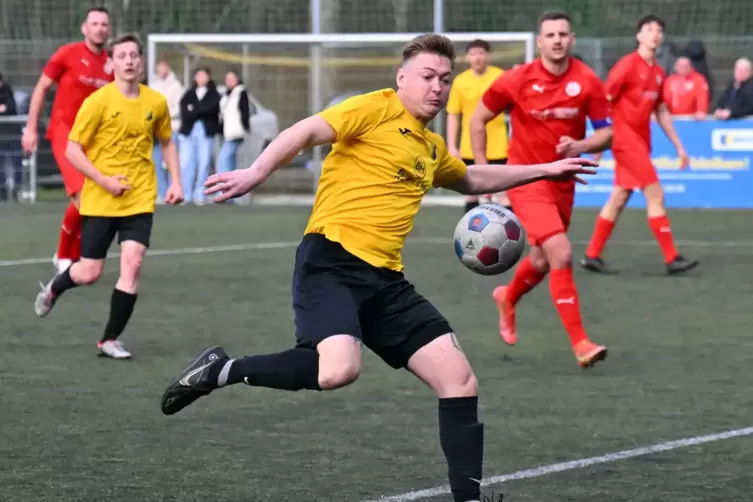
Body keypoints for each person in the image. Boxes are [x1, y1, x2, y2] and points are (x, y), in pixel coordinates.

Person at [159, 34, 597, 502]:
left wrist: (546, 169)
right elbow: (305, 131)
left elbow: (471, 176)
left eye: (445, 80)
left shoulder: (429, 148)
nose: (438, 88)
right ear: (402, 79)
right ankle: (220, 370)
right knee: (338, 370)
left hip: (385, 281)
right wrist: (255, 173)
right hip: (331, 260)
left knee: (459, 379)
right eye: (428, 77)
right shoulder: (375, 108)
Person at [470, 10, 611, 368]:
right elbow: (478, 120)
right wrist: (486, 173)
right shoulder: (517, 79)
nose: (557, 40)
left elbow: (606, 132)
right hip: (527, 181)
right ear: (539, 41)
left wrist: (580, 146)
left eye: (563, 34)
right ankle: (581, 344)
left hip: (564, 185)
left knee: (541, 261)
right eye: (550, 35)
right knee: (561, 252)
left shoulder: (588, 81)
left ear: (572, 40)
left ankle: (507, 297)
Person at [33, 34, 184, 359]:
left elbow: (167, 141)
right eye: (122, 56)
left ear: (140, 62)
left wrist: (176, 182)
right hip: (102, 198)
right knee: (89, 272)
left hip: (140, 197)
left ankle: (109, 340)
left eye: (134, 55)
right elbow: (73, 149)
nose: (129, 60)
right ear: (112, 62)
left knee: (133, 263)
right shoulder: (98, 102)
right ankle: (55, 287)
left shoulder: (155, 102)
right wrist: (104, 180)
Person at [580, 15, 698, 275]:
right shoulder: (626, 65)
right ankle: (672, 258)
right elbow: (602, 99)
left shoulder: (658, 73)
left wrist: (679, 146)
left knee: (619, 197)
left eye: (659, 30)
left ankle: (591, 255)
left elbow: (661, 110)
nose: (655, 34)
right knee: (656, 195)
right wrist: (599, 141)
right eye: (649, 29)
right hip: (625, 141)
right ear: (639, 36)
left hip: (641, 142)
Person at [21, 7, 114, 273]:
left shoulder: (112, 64)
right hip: (65, 134)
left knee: (95, 200)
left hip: (93, 140)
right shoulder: (67, 53)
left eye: (104, 24)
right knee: (84, 197)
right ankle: (64, 259)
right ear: (84, 28)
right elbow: (41, 87)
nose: (99, 28)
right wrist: (30, 128)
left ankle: (71, 256)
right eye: (94, 23)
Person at [446, 39, 510, 213]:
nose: (477, 58)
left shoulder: (500, 77)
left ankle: (509, 235)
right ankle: (470, 234)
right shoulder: (460, 81)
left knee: (503, 194)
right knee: (472, 192)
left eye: (481, 53)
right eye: (473, 54)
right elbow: (453, 114)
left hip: (498, 146)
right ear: (467, 57)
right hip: (470, 147)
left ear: (488, 56)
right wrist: (452, 146)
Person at [178, 68, 221, 205]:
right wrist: (197, 110)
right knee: (187, 163)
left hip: (206, 132)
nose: (201, 78)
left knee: (204, 163)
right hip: (189, 132)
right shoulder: (189, 94)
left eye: (204, 76)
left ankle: (200, 195)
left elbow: (209, 108)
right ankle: (186, 194)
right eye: (198, 75)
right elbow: (185, 109)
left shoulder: (213, 94)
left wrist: (195, 109)